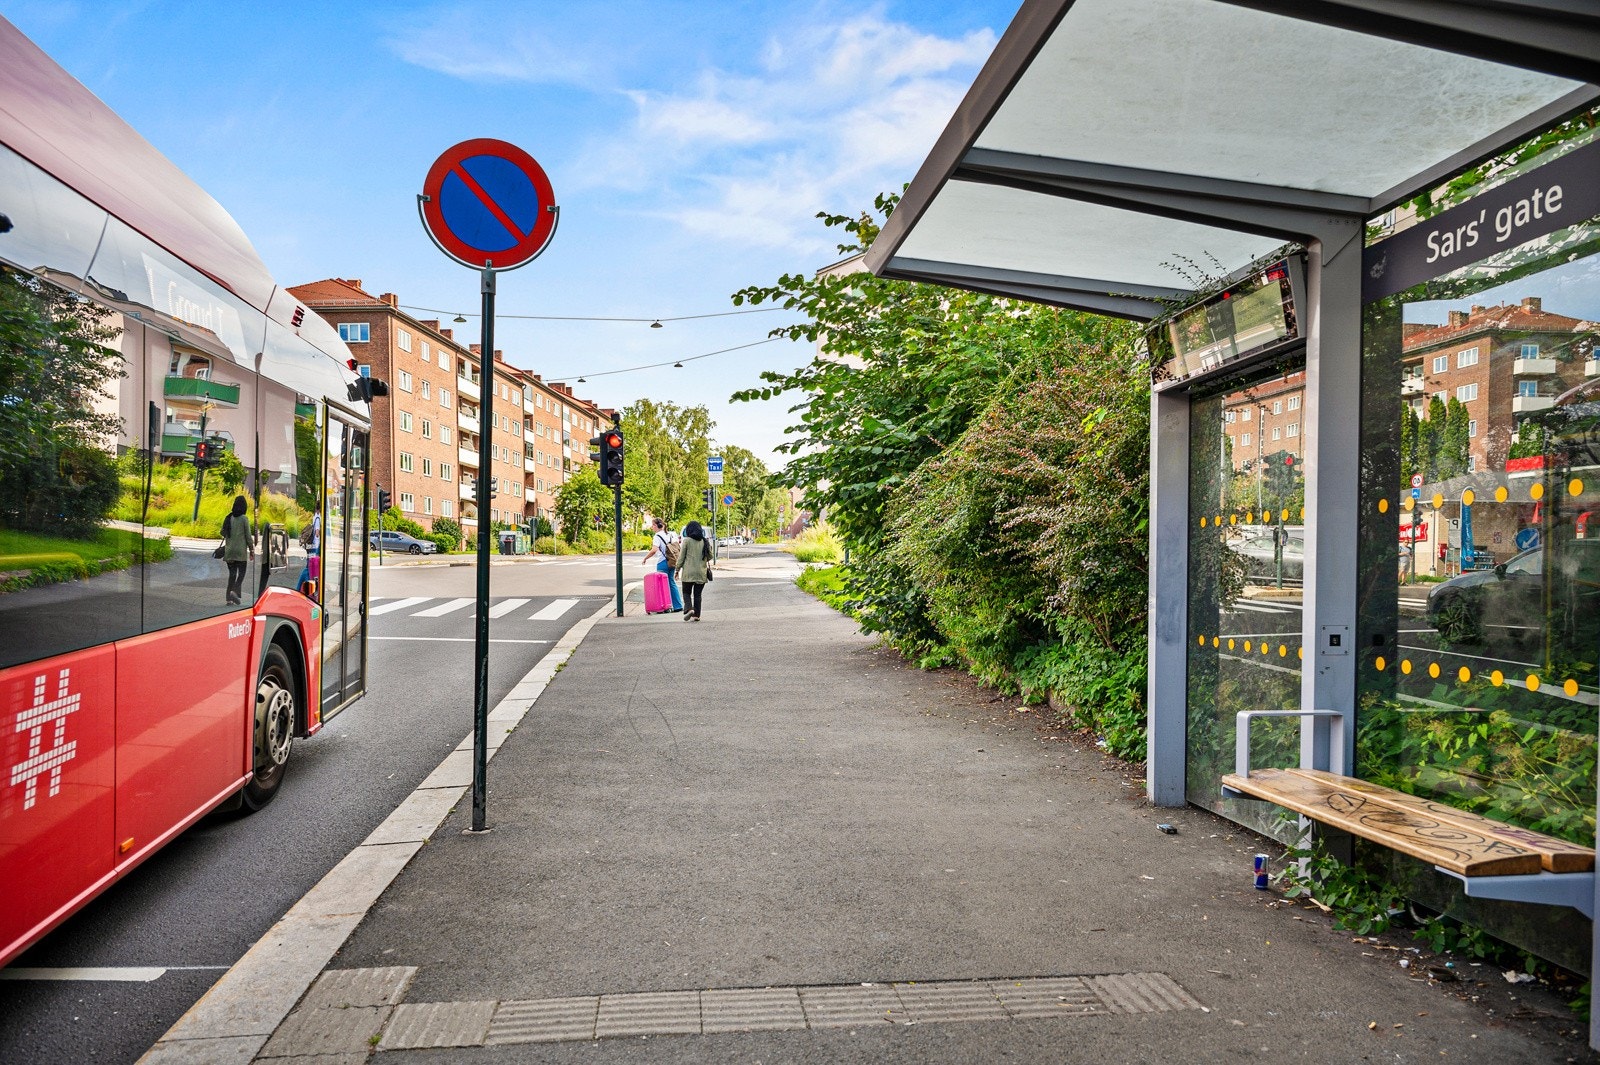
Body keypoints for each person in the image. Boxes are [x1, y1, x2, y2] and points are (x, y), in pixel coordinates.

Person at [641, 517, 683, 613]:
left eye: (653, 525)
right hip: (672, 561)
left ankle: (664, 606)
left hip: (662, 563)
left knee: (661, 585)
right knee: (671, 583)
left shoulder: (657, 536)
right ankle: (678, 606)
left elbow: (654, 550)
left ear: (657, 526)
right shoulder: (671, 534)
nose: (652, 527)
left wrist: (645, 558)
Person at [675, 519, 712, 621]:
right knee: (697, 595)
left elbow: (681, 557)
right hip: (701, 573)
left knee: (686, 592)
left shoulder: (686, 541)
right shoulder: (705, 541)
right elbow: (710, 556)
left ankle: (689, 608)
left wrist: (677, 570)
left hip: (688, 573)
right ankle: (696, 615)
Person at [221, 495, 255, 605]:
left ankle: (229, 599)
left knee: (232, 574)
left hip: (229, 552)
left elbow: (222, 533)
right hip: (240, 553)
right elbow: (248, 536)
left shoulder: (229, 517)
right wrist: (251, 550)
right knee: (241, 573)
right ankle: (234, 592)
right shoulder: (244, 519)